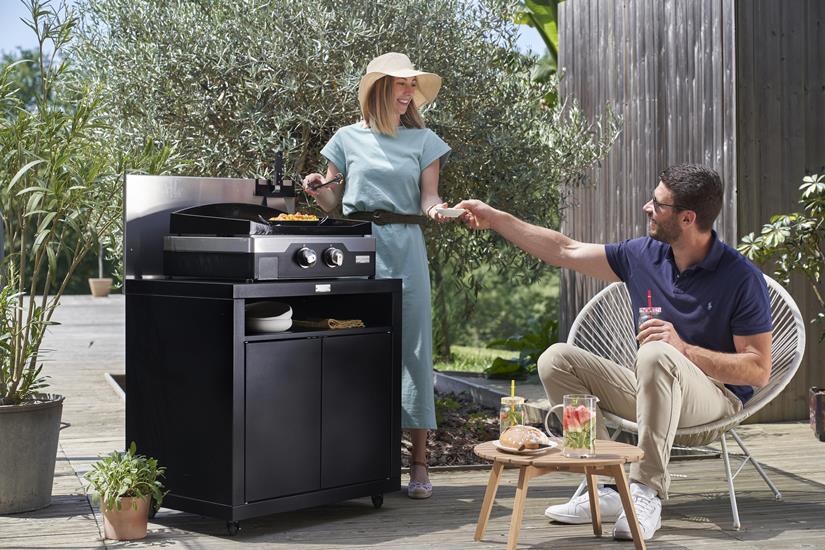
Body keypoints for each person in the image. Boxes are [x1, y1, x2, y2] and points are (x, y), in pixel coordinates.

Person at [456, 164, 772, 540]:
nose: (646, 207)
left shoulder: (740, 278)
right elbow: (564, 249)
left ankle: (646, 489)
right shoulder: (644, 255)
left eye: (658, 203)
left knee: (656, 353)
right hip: (654, 387)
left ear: (687, 218)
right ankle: (606, 486)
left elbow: (757, 371)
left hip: (715, 398)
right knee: (556, 359)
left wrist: (684, 349)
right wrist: (495, 219)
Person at [302, 52, 454, 500]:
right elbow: (332, 202)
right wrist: (318, 186)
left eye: (412, 86)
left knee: (413, 351)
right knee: (351, 346)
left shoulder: (425, 142)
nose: (408, 93)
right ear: (378, 89)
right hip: (354, 250)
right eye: (400, 85)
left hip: (405, 249)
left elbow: (429, 199)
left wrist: (442, 211)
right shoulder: (345, 139)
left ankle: (419, 464)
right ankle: (353, 461)